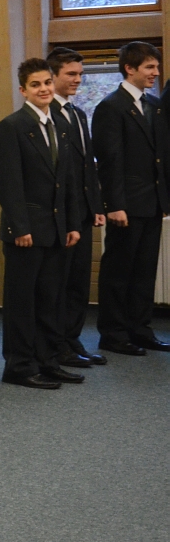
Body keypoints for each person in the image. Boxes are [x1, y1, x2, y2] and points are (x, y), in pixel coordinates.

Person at [0, 58, 83, 389]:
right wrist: (20, 227)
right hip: (26, 232)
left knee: (50, 300)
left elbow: (67, 180)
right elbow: (7, 182)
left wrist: (72, 223)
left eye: (46, 83)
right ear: (23, 90)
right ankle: (19, 366)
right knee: (22, 303)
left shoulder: (60, 125)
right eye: (35, 84)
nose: (43, 89)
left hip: (57, 229)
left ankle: (48, 361)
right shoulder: (12, 126)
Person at [92, 41, 170, 356]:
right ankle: (113, 334)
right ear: (129, 68)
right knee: (119, 272)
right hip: (126, 205)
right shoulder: (110, 107)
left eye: (156, 67)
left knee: (144, 271)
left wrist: (163, 199)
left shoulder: (154, 105)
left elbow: (160, 156)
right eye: (150, 67)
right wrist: (115, 205)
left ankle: (140, 329)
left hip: (152, 203)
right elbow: (109, 161)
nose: (156, 73)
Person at [46, 47, 107, 368]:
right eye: (71, 74)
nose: (78, 80)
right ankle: (57, 346)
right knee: (60, 282)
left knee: (79, 282)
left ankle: (72, 340)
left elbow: (87, 166)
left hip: (83, 212)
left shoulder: (78, 113)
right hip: (61, 215)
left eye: (80, 74)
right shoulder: (47, 115)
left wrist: (95, 205)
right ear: (52, 76)